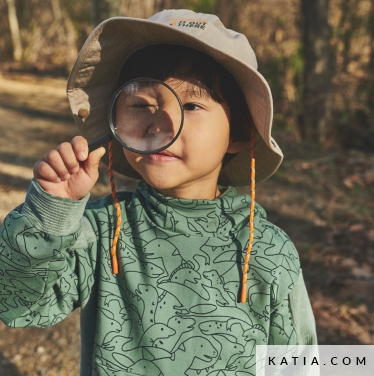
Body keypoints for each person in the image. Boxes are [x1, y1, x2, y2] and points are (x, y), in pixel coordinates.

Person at [0, 9, 317, 376]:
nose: (160, 123)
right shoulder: (99, 233)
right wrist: (50, 215)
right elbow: (18, 304)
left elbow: (298, 364)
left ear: (241, 132)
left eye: (192, 105)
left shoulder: (268, 250)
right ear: (118, 127)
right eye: (140, 105)